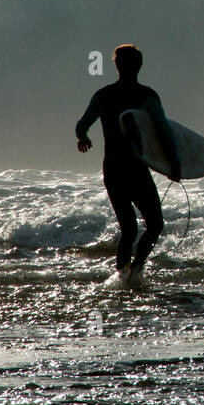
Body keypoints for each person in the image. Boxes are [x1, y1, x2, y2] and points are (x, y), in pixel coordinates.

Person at [76, 44, 181, 284]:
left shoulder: (102, 95)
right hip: (135, 170)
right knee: (154, 225)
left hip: (112, 169)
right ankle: (136, 269)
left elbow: (82, 125)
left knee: (128, 230)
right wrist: (174, 164)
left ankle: (122, 278)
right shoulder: (147, 96)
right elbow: (164, 132)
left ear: (116, 65)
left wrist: (83, 138)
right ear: (140, 66)